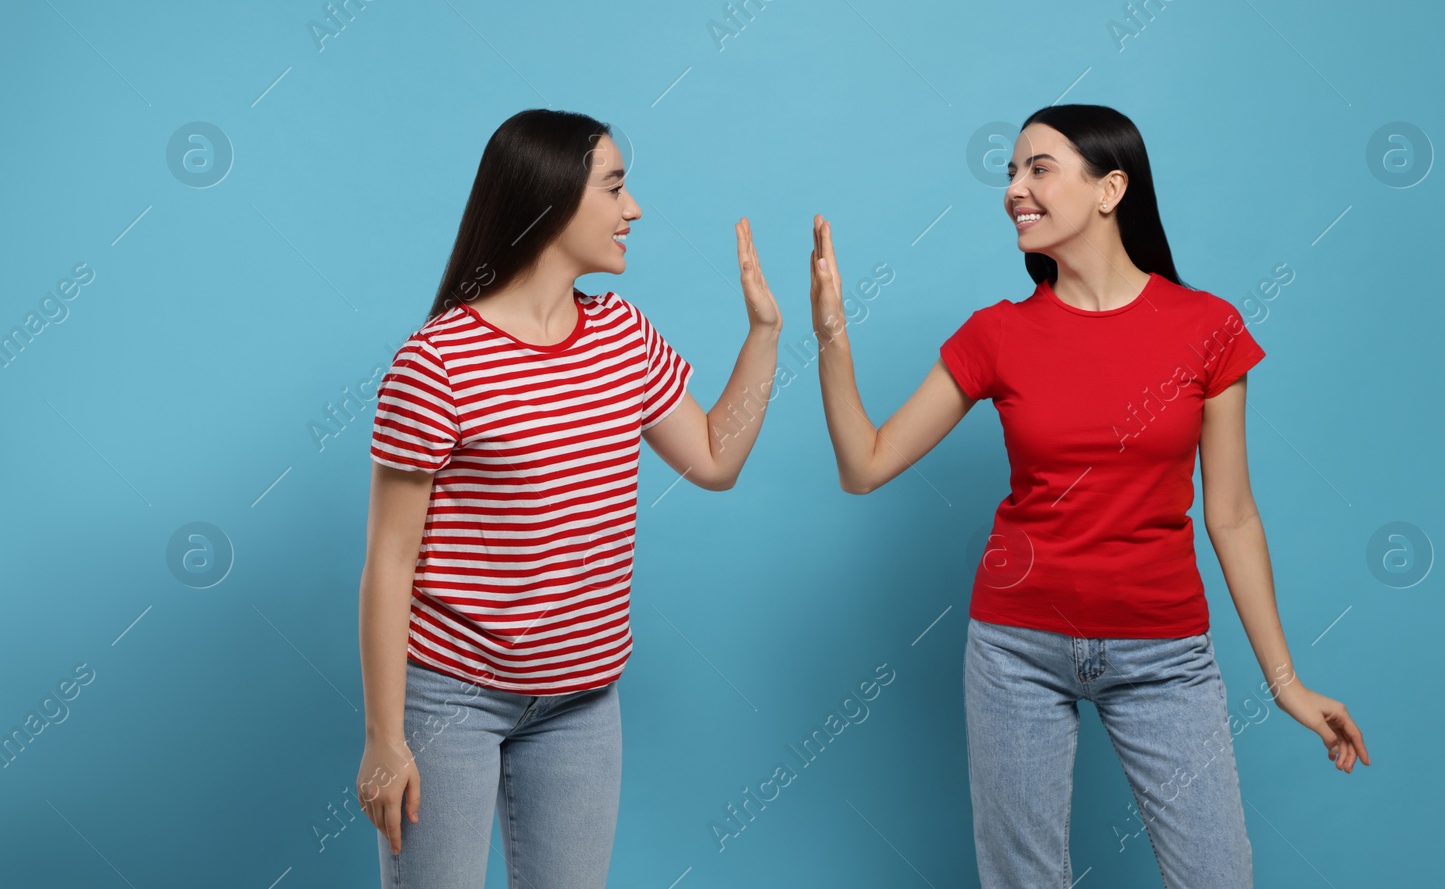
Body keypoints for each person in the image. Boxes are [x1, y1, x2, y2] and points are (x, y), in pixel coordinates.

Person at [808, 103, 1369, 888]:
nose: (1013, 188)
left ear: (1110, 189)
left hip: (1165, 654)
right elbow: (863, 465)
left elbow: (1232, 513)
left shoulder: (1208, 328)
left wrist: (1286, 683)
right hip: (1015, 648)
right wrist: (832, 335)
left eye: (1038, 168)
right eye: (1010, 172)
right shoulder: (996, 335)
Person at [354, 108, 782, 887]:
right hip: (453, 696)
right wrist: (386, 737)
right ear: (551, 200)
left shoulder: (623, 334)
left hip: (583, 700)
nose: (635, 208)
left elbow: (716, 459)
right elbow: (389, 558)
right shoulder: (437, 363)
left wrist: (765, 334)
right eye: (615, 186)